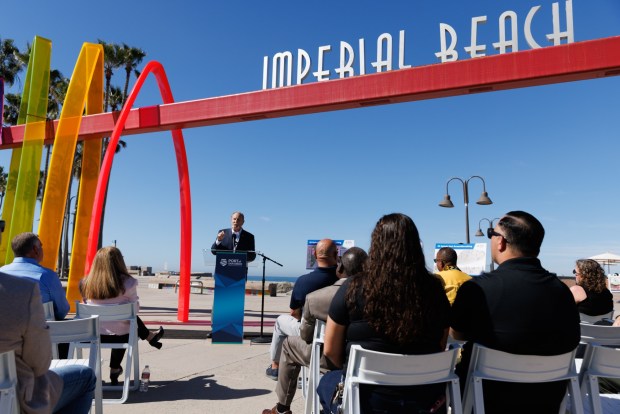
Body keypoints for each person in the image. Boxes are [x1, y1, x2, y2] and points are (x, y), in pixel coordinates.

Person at [318, 213, 451, 414]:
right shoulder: (435, 290)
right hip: (425, 400)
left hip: (366, 400)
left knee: (326, 382)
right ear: (416, 246)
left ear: (376, 246)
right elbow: (440, 346)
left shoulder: (352, 288)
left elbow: (330, 351)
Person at [450, 211, 581, 414]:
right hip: (546, 400)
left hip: (482, 398)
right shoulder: (562, 291)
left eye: (491, 233)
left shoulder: (477, 288)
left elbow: (458, 334)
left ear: (501, 241)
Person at [0, 220, 96, 414]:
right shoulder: (32, 285)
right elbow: (40, 363)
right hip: (16, 392)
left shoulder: (3, 271)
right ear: (35, 250)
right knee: (85, 376)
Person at [262, 246, 368, 414]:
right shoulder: (378, 297)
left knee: (289, 345)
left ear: (340, 268)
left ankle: (282, 408)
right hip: (364, 362)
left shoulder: (316, 298)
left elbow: (305, 335)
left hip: (328, 359)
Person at [80, 246, 164, 384]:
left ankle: (149, 336)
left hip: (91, 336)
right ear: (119, 262)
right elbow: (134, 310)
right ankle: (115, 368)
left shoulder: (85, 283)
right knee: (127, 324)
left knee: (121, 324)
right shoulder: (128, 283)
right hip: (121, 337)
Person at [266, 238, 338, 381]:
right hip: (336, 332)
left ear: (315, 255)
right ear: (336, 255)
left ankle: (275, 366)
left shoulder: (303, 281)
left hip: (310, 332)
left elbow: (294, 312)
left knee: (280, 321)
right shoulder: (343, 281)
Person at [0, 231, 70, 321]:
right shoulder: (47, 276)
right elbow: (62, 311)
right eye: (41, 246)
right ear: (35, 250)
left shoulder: (2, 272)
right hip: (39, 331)